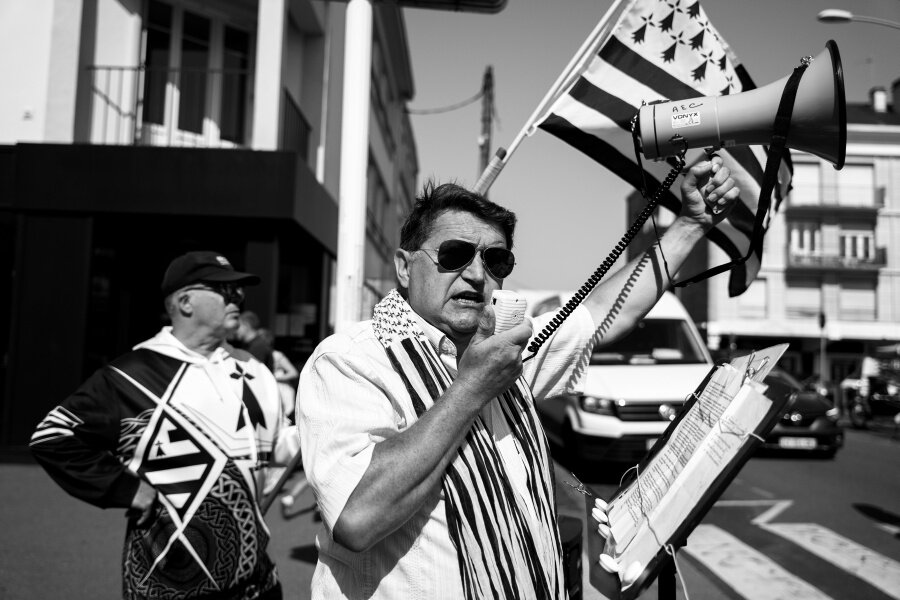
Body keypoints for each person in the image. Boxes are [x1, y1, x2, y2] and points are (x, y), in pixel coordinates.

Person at [295, 157, 739, 599]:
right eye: (454, 255)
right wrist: (470, 390)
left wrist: (690, 224)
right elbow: (357, 518)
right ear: (405, 267)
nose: (475, 274)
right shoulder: (350, 361)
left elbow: (606, 311)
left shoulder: (502, 352)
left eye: (495, 260)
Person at [30, 250, 298, 600]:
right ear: (186, 302)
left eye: (239, 290)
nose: (238, 297)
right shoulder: (132, 374)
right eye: (224, 289)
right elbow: (53, 437)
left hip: (256, 582)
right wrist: (126, 489)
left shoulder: (254, 369)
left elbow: (272, 446)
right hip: (165, 582)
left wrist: (317, 436)